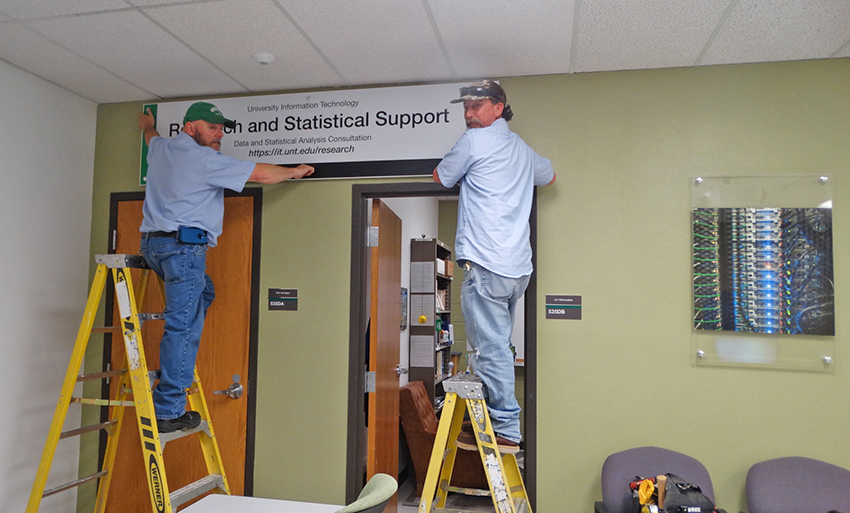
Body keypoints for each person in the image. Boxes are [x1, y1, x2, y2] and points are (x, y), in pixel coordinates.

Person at [138, 102, 314, 432]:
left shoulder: (161, 149)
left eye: (222, 129)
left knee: (204, 293)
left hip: (153, 246)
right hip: (183, 249)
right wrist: (294, 171)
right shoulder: (204, 159)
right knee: (183, 327)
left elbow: (151, 136)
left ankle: (173, 372)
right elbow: (261, 174)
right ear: (190, 128)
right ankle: (168, 410)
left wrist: (146, 124)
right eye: (212, 127)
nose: (219, 134)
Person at [433, 80, 555, 453]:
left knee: (489, 350)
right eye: (465, 107)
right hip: (518, 269)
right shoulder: (520, 149)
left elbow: (440, 177)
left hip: (486, 263)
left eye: (477, 106)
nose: (469, 114)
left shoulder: (473, 142)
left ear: (499, 107)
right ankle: (490, 414)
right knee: (498, 344)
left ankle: (505, 427)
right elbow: (548, 174)